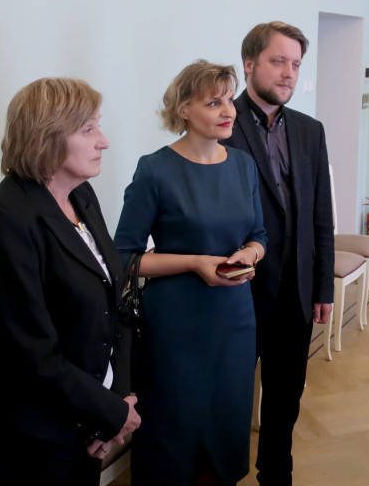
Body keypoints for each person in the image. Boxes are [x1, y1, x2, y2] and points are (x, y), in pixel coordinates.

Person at [0, 78, 139, 485]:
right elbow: (31, 353)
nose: (104, 142)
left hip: (89, 413)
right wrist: (111, 413)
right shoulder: (5, 218)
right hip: (37, 430)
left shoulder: (82, 195)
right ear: (47, 137)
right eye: (88, 129)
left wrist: (117, 399)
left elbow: (114, 306)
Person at [114, 60, 267, 485]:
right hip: (177, 326)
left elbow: (259, 235)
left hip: (235, 320)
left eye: (229, 100)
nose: (228, 111)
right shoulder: (155, 169)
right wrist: (195, 263)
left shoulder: (243, 165)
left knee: (227, 425)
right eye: (213, 103)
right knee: (174, 432)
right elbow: (124, 258)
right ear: (183, 109)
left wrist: (249, 255)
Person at [222, 21, 334, 485]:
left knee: (286, 394)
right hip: (238, 289)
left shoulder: (310, 130)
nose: (289, 73)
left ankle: (275, 473)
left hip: (296, 288)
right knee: (229, 394)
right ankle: (223, 472)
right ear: (249, 64)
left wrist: (323, 285)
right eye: (278, 61)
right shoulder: (221, 123)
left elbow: (321, 214)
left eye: (296, 64)